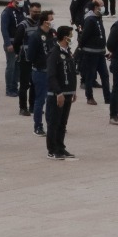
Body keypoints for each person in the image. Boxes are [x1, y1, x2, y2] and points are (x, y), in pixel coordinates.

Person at [45, 24, 78, 160]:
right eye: (70, 35)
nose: (72, 37)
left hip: (68, 93)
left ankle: (61, 146)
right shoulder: (55, 53)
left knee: (63, 123)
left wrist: (73, 90)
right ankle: (52, 150)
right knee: (54, 122)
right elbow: (51, 75)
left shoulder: (67, 52)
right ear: (65, 37)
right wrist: (58, 93)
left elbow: (71, 73)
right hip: (58, 95)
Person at [79, 0, 111, 112]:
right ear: (95, 8)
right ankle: (89, 97)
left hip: (100, 52)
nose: (103, 8)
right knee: (90, 75)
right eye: (101, 6)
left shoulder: (98, 18)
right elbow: (84, 36)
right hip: (91, 52)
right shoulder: (90, 20)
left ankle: (108, 97)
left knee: (105, 75)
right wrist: (82, 48)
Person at [27, 11, 55, 138]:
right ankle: (38, 126)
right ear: (45, 21)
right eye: (51, 18)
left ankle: (52, 124)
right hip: (40, 72)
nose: (53, 20)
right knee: (40, 100)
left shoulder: (52, 33)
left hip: (52, 72)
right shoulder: (36, 36)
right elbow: (30, 56)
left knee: (52, 99)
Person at [0, 0, 27, 98]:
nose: (22, 0)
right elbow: (4, 29)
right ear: (14, 0)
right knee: (11, 66)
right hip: (11, 42)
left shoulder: (23, 10)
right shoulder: (7, 12)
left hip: (21, 42)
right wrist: (7, 43)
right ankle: (9, 88)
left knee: (18, 66)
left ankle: (15, 87)